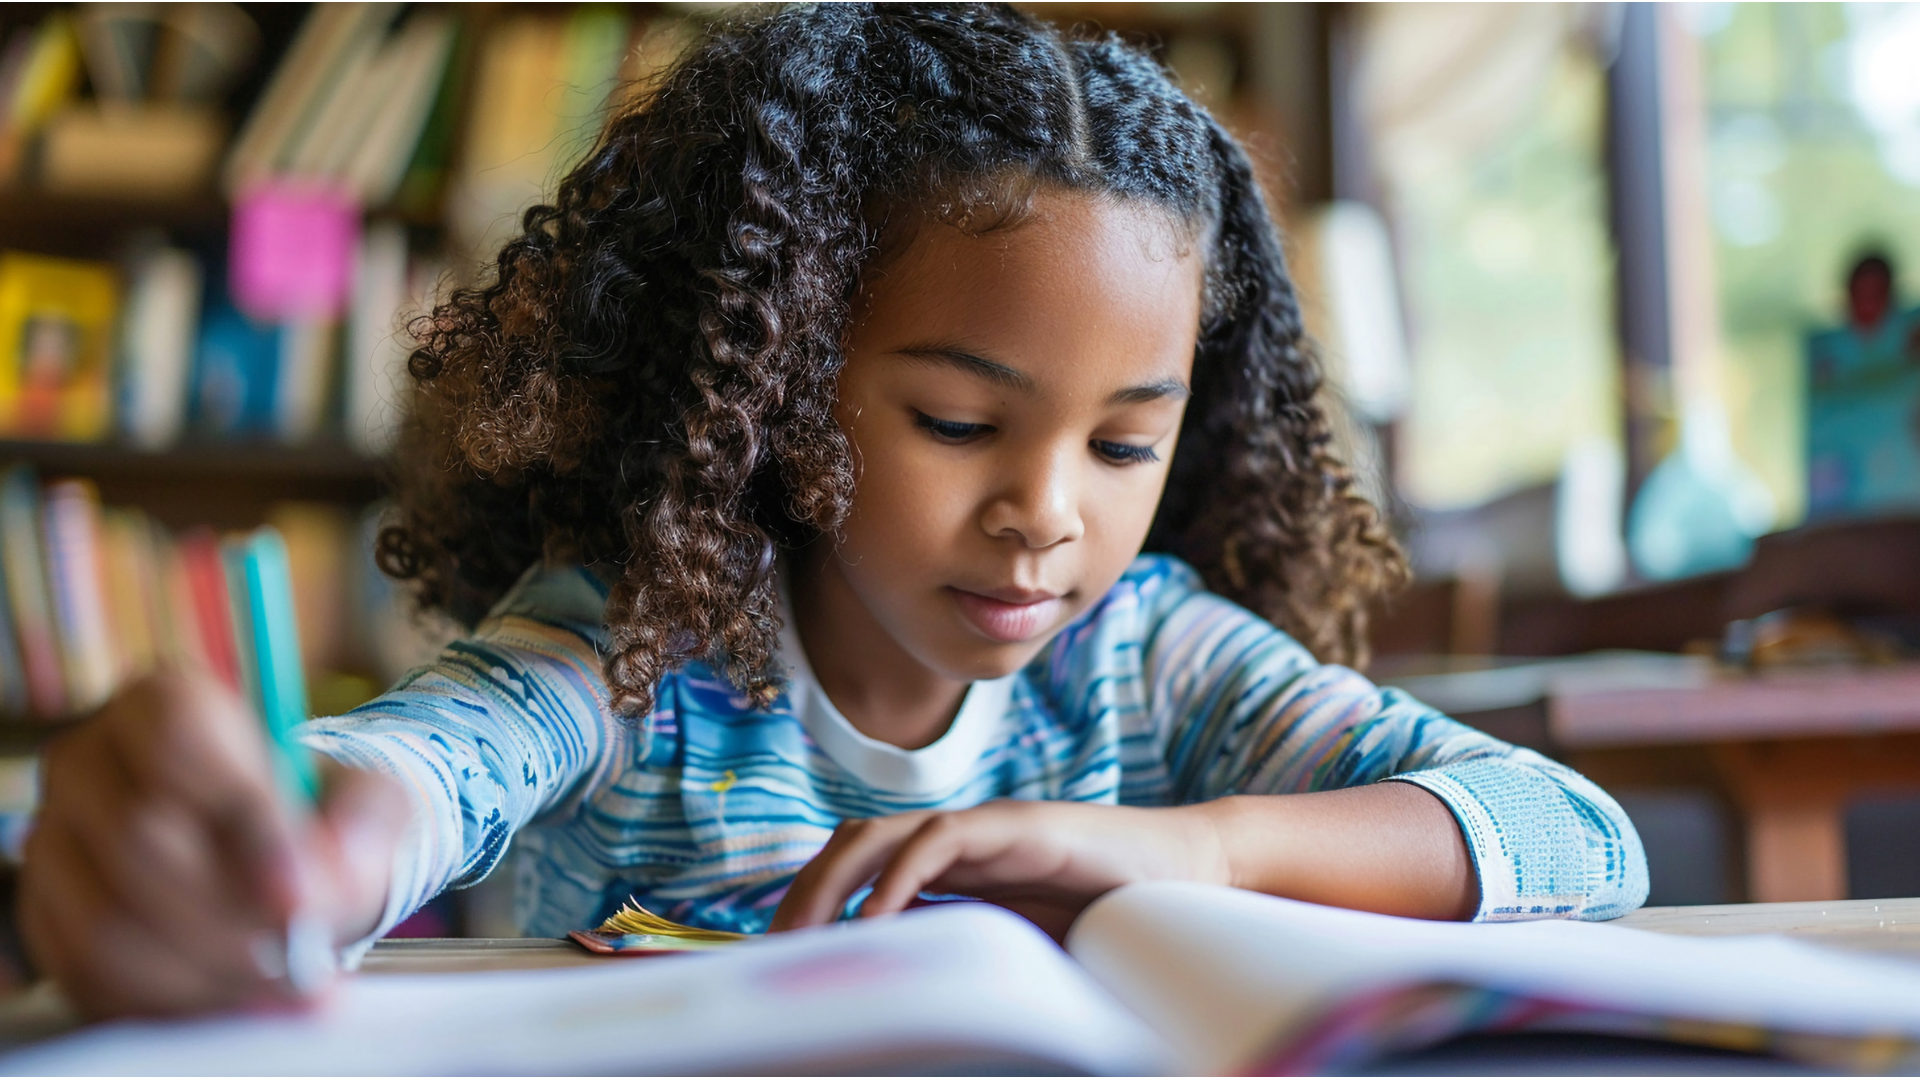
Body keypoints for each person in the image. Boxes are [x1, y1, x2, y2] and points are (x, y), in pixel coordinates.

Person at [20, 3, 1648, 1019]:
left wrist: (1168, 849)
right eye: (956, 421)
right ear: (781, 388)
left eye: (1123, 445)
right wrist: (308, 844)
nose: (1042, 515)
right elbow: (435, 765)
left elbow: (1581, 839)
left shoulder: (1153, 659)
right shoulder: (649, 643)